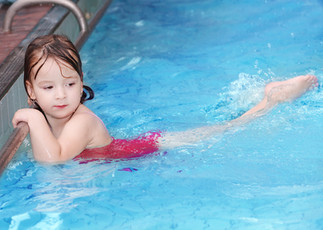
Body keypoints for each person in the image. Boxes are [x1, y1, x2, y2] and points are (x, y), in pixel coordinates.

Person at [12, 34, 319, 164]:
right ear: (31, 90)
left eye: (70, 83)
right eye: (49, 88)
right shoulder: (59, 116)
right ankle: (266, 98)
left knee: (234, 126)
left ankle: (272, 100)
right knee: (229, 124)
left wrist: (35, 117)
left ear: (81, 84)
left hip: (149, 148)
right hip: (138, 145)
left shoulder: (80, 121)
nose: (62, 94)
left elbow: (53, 160)